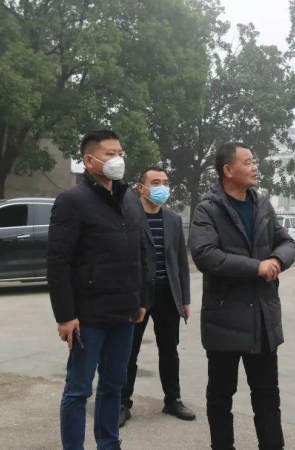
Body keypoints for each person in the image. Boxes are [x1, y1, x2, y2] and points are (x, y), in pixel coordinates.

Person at [189, 142, 295, 450]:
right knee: (221, 395)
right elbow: (205, 255)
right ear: (228, 170)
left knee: (267, 394)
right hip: (225, 318)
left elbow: (286, 242)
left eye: (253, 161)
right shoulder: (208, 209)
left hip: (263, 318)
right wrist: (255, 267)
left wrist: (276, 260)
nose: (254, 167)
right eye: (247, 162)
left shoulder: (262, 205)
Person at [47, 130, 149, 450]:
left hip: (124, 312)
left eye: (120, 152)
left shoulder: (129, 198)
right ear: (89, 161)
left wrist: (140, 299)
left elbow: (139, 251)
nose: (117, 159)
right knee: (78, 390)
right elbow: (58, 261)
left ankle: (109, 443)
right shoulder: (72, 201)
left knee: (113, 386)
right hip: (88, 316)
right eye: (109, 154)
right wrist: (65, 315)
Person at [120, 166, 196, 427]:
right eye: (155, 182)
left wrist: (184, 298)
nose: (162, 187)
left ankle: (172, 400)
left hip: (168, 294)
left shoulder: (173, 219)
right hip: (139, 295)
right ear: (141, 188)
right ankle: (122, 403)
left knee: (170, 350)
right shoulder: (129, 216)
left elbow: (181, 262)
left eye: (165, 182)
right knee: (129, 351)